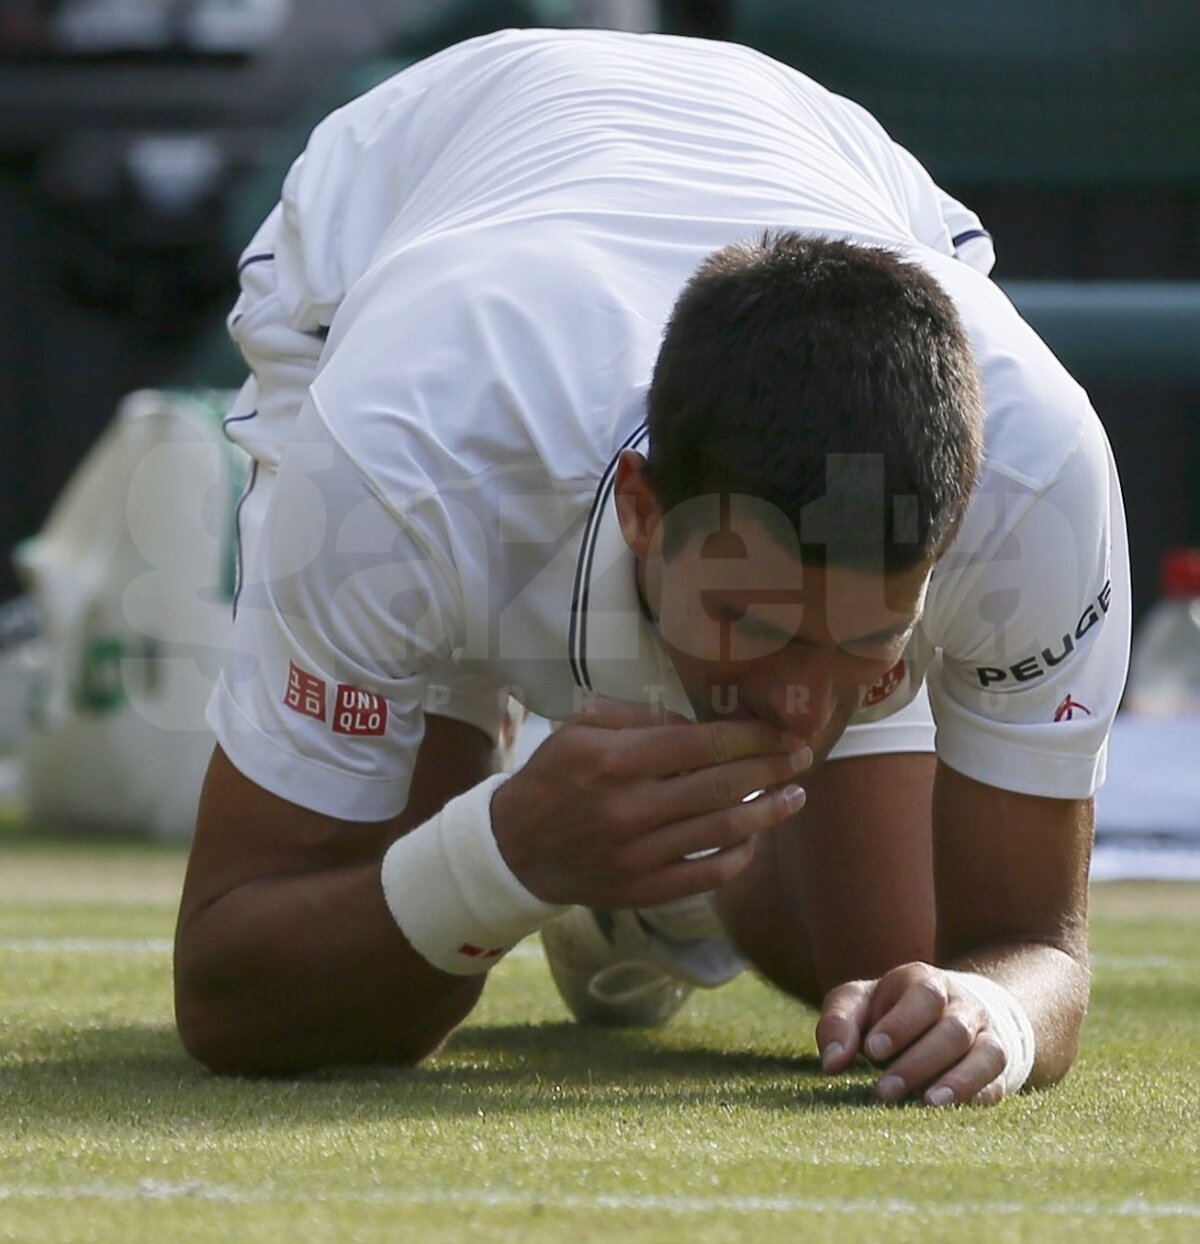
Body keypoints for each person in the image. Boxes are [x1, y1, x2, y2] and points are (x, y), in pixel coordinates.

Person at [174, 28, 1130, 1108]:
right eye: (753, 623)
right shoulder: (401, 457)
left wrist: (995, 1011)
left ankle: (648, 904)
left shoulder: (1038, 478)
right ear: (643, 504)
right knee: (375, 1010)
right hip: (394, 218)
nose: (798, 705)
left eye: (866, 639)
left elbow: (1032, 947)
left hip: (810, 150)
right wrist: (507, 855)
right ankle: (562, 824)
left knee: (894, 975)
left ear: (949, 550)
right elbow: (228, 990)